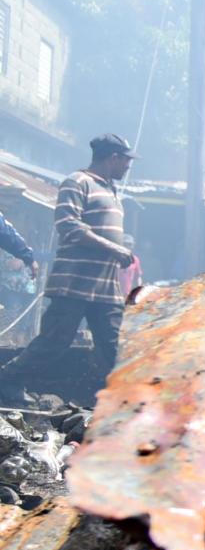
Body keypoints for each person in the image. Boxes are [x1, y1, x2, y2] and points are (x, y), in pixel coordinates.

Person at [0, 133, 138, 400]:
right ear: (113, 158)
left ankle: (122, 401)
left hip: (105, 289)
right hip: (74, 283)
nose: (128, 166)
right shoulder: (77, 183)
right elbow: (69, 227)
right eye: (125, 160)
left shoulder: (112, 191)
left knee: (114, 346)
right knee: (54, 342)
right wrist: (114, 248)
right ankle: (7, 380)